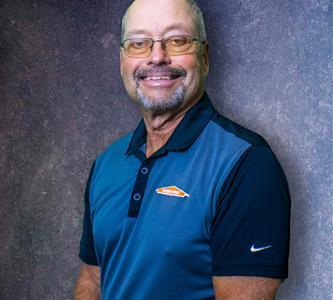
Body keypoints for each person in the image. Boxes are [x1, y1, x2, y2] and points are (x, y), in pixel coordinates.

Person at [74, 0, 291, 299]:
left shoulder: (248, 163)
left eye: (177, 41)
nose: (157, 57)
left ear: (204, 57)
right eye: (139, 43)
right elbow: (92, 279)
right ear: (122, 60)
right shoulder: (106, 164)